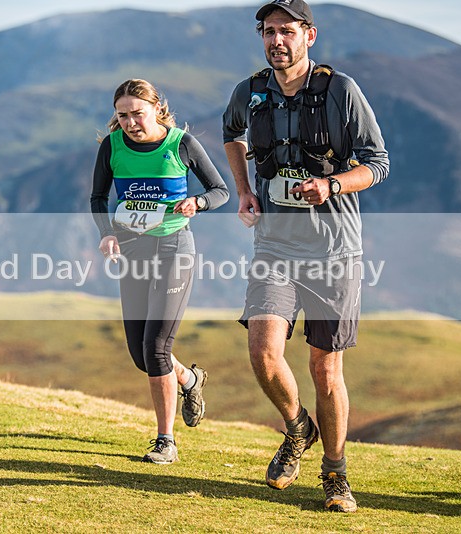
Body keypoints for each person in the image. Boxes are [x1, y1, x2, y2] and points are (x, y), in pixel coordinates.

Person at [222, 0, 389, 512]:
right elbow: (231, 133)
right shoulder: (250, 92)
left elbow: (377, 162)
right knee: (263, 351)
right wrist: (245, 189)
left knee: (325, 369)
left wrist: (333, 183)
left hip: (335, 249)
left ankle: (335, 473)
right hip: (275, 244)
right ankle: (298, 428)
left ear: (309, 35)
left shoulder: (341, 90)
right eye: (268, 31)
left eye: (286, 31)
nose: (276, 40)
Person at [91, 79, 229, 464]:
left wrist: (197, 202)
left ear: (156, 108)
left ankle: (165, 440)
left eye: (138, 113)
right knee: (141, 355)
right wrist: (106, 235)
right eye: (123, 115)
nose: (131, 122)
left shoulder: (181, 144)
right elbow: (98, 197)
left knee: (156, 349)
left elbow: (221, 190)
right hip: (132, 249)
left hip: (173, 249)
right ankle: (190, 379)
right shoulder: (112, 146)